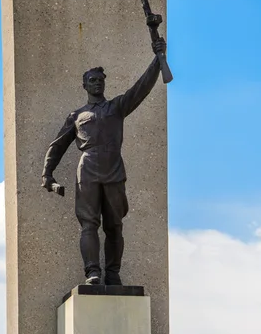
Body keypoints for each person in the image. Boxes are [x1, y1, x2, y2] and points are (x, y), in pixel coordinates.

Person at [41, 37, 167, 285]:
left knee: (115, 225)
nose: (97, 84)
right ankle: (92, 272)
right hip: (87, 170)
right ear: (84, 85)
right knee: (88, 223)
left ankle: (113, 272)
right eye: (92, 81)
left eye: (100, 80)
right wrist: (47, 174)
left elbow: (141, 88)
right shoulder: (77, 116)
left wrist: (157, 58)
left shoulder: (117, 107)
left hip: (114, 169)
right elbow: (57, 146)